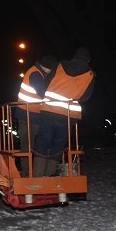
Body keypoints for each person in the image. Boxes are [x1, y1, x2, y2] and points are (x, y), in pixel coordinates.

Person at [33, 47, 96, 177]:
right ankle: (50, 176)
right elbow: (85, 97)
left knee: (43, 140)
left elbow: (46, 82)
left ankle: (38, 177)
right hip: (67, 116)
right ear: (88, 60)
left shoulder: (60, 65)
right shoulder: (90, 75)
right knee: (58, 143)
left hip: (48, 110)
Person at [15, 55, 57, 176]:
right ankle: (28, 174)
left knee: (28, 147)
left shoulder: (36, 72)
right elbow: (43, 93)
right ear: (47, 68)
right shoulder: (36, 74)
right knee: (28, 147)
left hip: (29, 115)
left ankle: (29, 173)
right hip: (28, 115)